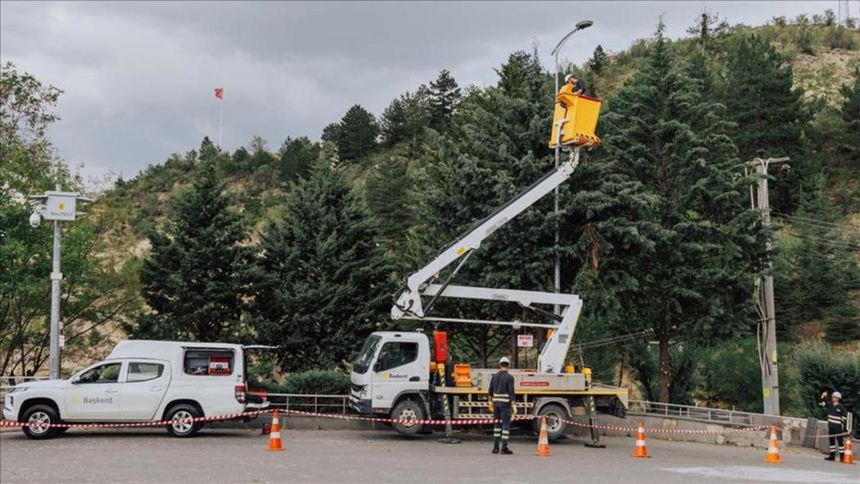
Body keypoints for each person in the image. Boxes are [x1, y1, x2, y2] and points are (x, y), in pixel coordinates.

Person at [489, 356, 516, 454]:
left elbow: (490, 391)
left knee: (496, 425)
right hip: (505, 404)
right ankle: (504, 448)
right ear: (508, 365)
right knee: (505, 426)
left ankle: (495, 448)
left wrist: (490, 402)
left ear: (500, 365)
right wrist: (514, 406)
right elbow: (511, 392)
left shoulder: (494, 376)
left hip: (496, 404)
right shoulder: (510, 377)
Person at [820, 390, 848, 461]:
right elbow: (821, 404)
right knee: (831, 441)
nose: (832, 398)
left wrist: (840, 422)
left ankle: (842, 457)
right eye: (832, 397)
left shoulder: (841, 407)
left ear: (837, 398)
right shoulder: (830, 405)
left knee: (840, 442)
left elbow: (844, 416)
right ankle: (832, 456)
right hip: (831, 426)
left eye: (834, 397)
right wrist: (823, 397)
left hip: (838, 427)